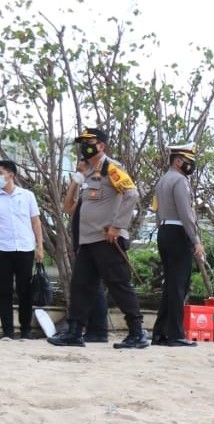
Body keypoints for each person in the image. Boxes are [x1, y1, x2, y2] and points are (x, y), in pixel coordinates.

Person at [48, 127, 149, 349]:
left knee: (118, 284)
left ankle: (137, 332)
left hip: (106, 239)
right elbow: (69, 208)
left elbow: (132, 194)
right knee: (81, 286)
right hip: (87, 240)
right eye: (82, 142)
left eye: (89, 142)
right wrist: (78, 176)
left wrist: (117, 226)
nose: (85, 146)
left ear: (101, 145)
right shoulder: (90, 172)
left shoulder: (110, 168)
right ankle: (74, 332)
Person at [151, 145, 205, 347]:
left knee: (170, 284)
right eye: (187, 160)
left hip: (164, 231)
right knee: (178, 285)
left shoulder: (162, 180)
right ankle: (175, 333)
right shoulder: (180, 181)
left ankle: (160, 333)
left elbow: (157, 212)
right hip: (178, 232)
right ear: (178, 161)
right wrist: (196, 240)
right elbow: (186, 214)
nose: (190, 164)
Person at [63, 160, 110, 342]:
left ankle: (98, 330)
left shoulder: (98, 187)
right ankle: (93, 329)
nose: (79, 167)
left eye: (82, 166)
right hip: (81, 242)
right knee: (86, 285)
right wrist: (76, 180)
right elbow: (68, 207)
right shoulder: (84, 189)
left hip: (95, 240)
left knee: (95, 285)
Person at [0, 159, 44, 339]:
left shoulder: (27, 196)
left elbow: (36, 222)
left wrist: (39, 247)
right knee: (3, 291)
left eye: (0, 173)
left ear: (11, 174)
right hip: (3, 249)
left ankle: (26, 330)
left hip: (25, 249)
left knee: (25, 290)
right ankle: (8, 331)